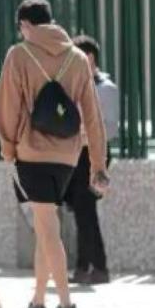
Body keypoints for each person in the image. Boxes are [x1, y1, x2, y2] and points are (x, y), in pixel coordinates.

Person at [0, 0, 109, 308]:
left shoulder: (19, 54)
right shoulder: (77, 57)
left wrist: (7, 149)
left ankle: (66, 305)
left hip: (32, 154)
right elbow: (93, 115)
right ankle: (38, 303)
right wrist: (97, 161)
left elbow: (7, 107)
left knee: (47, 228)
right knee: (47, 228)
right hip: (69, 157)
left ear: (27, 25)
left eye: (21, 27)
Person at [64, 35, 119, 285]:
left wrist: (84, 128)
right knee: (81, 211)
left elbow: (110, 129)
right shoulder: (75, 85)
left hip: (93, 154)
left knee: (86, 210)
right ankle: (86, 267)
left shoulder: (105, 88)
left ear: (90, 57)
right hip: (75, 153)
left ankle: (96, 267)